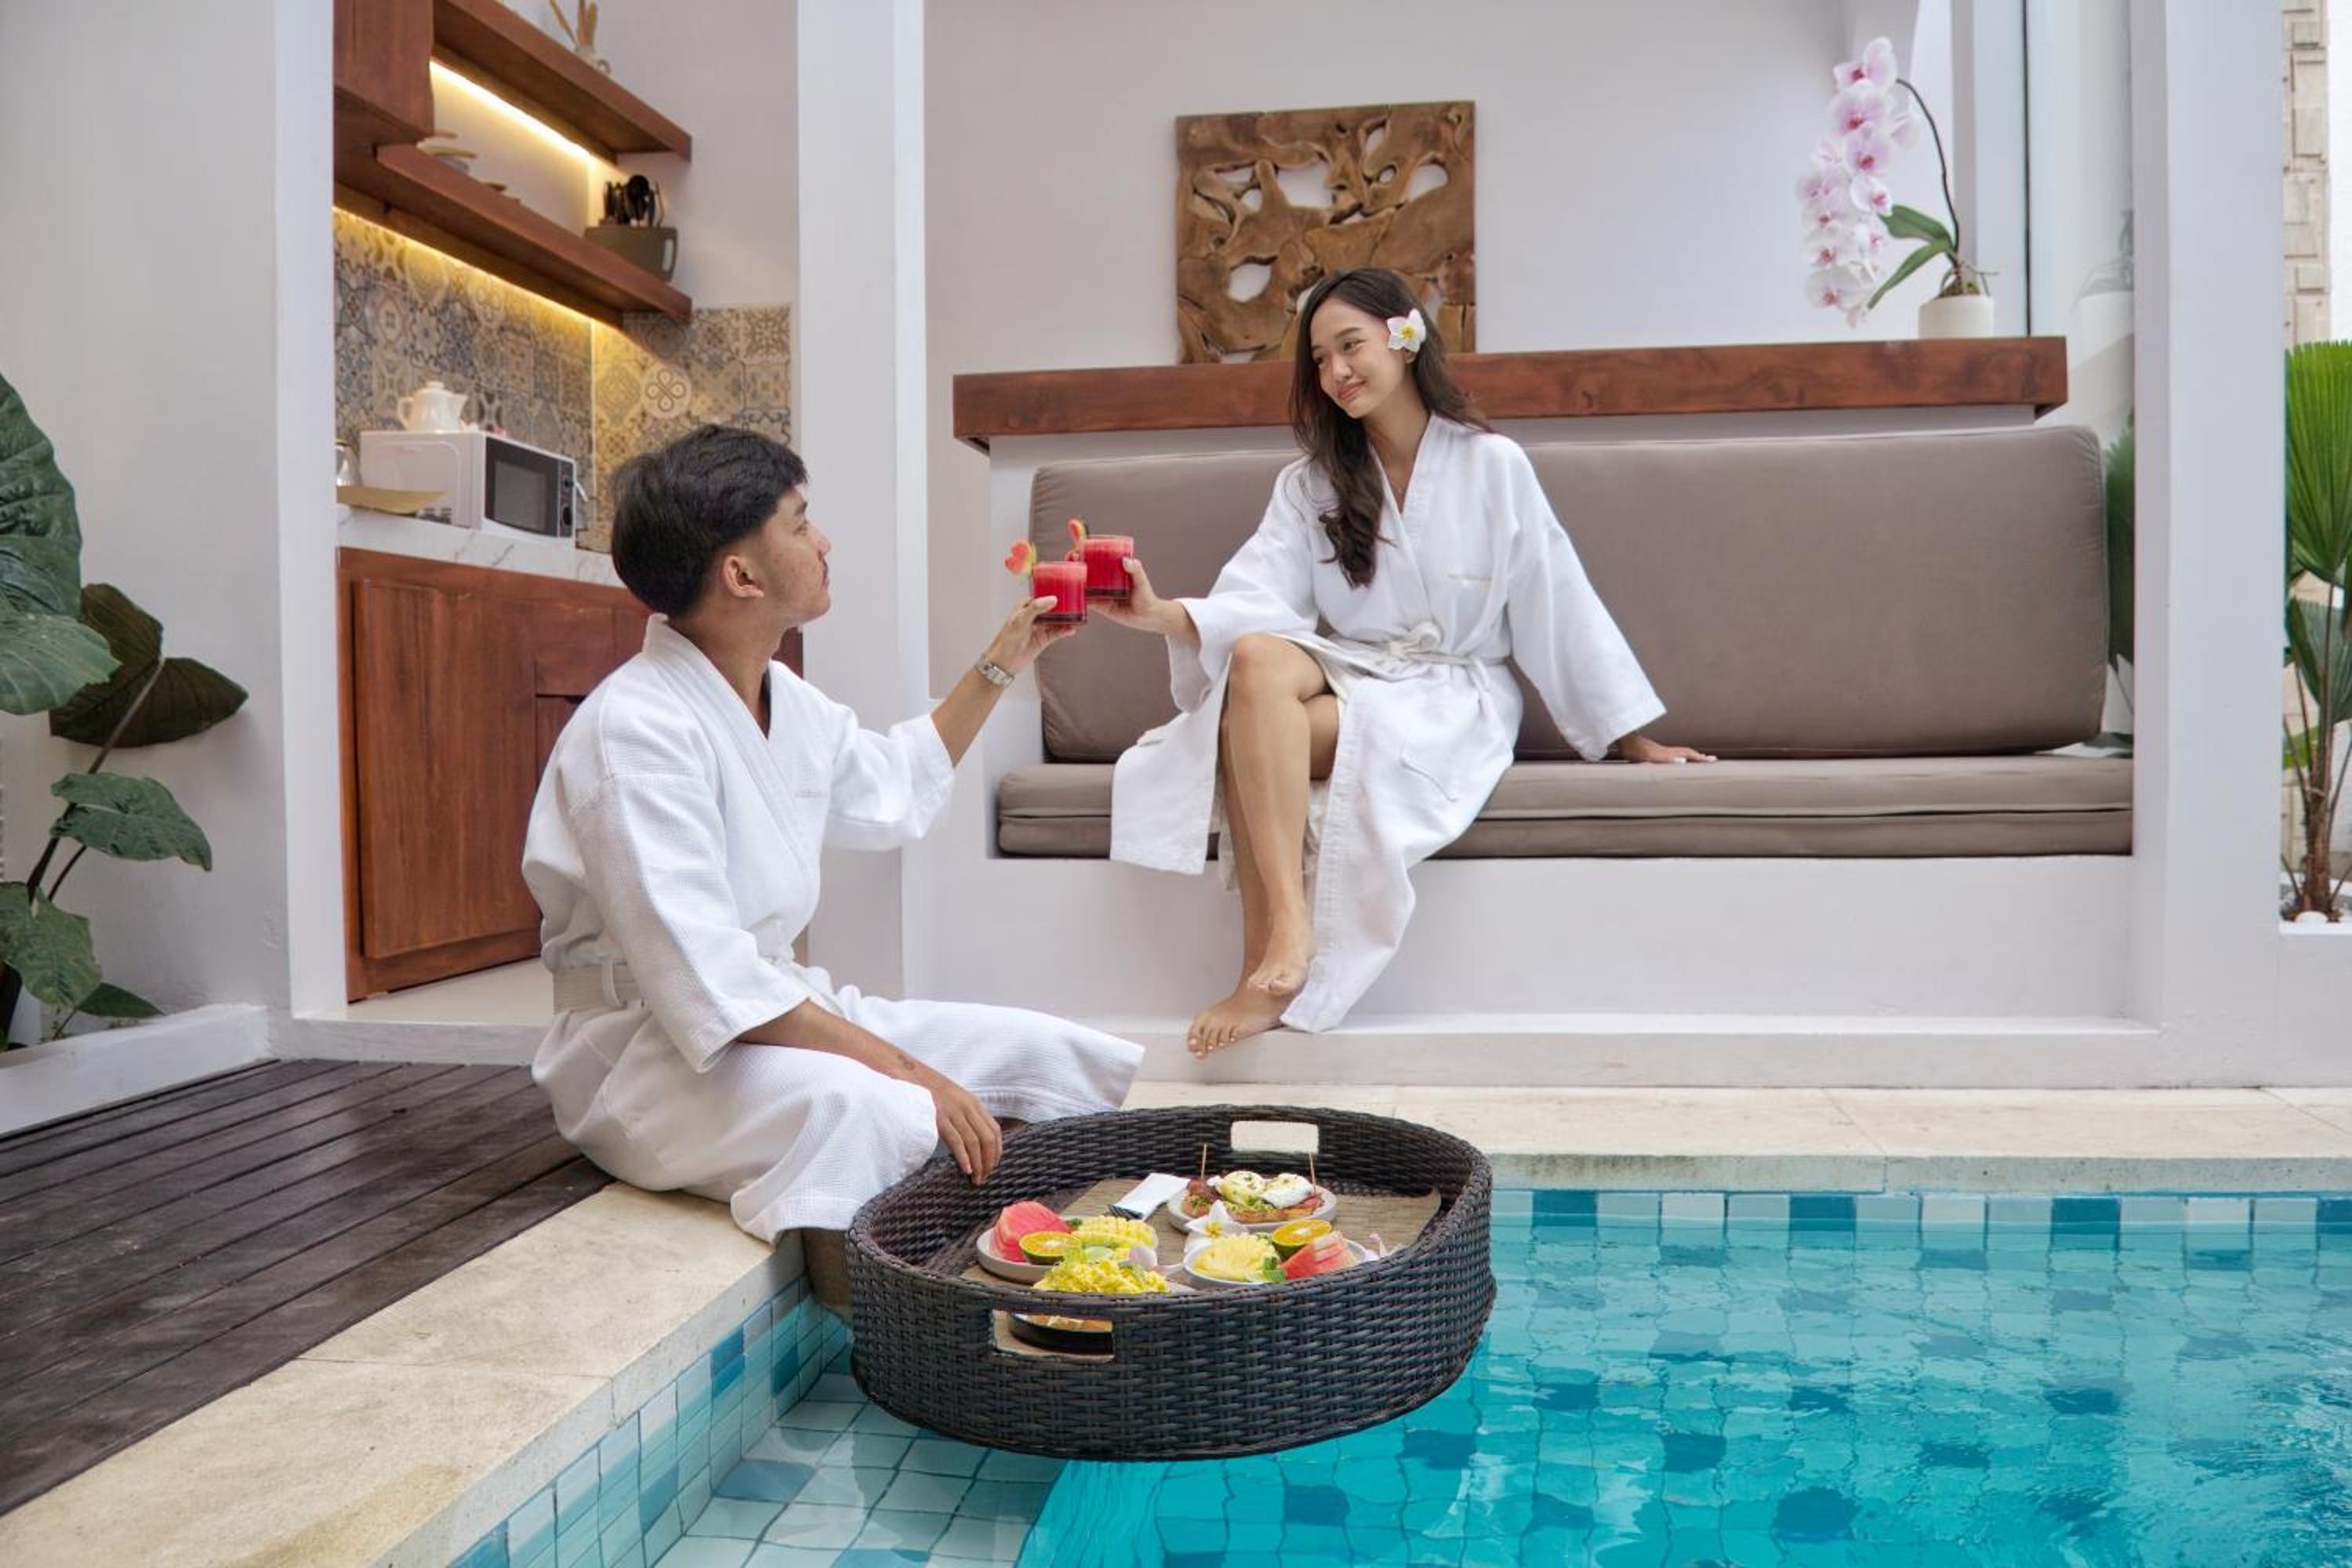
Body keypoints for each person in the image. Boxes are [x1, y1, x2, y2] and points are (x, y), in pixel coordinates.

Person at [522, 425, 1142, 1307]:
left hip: (769, 1013)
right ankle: (880, 1337)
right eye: (800, 522)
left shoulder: (780, 696)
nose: (824, 542)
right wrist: (913, 1071)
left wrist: (1010, 654)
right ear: (742, 575)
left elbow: (894, 782)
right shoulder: (635, 735)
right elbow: (712, 984)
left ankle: (1040, 1276)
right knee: (872, 1107)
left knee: (1037, 1052)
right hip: (646, 1055)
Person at [1102, 267, 1713, 1055]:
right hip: (1363, 671)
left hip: (1455, 693)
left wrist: (1628, 735)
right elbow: (1258, 595)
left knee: (1239, 733)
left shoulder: (1493, 465)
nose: (1335, 372)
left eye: (1350, 345)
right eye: (1319, 359)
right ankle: (1289, 931)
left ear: (1405, 336)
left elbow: (1554, 594)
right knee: (1253, 657)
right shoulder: (1313, 483)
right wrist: (1161, 614)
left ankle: (1260, 973)